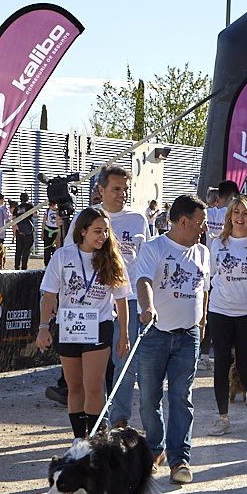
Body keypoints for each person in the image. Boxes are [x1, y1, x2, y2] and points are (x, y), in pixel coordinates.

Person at [131, 194, 210, 486]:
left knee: (181, 397)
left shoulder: (203, 252)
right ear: (184, 221)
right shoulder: (155, 248)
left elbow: (205, 288)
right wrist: (147, 307)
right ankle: (154, 449)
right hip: (155, 335)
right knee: (150, 397)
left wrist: (202, 322)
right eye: (200, 223)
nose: (203, 229)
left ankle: (179, 460)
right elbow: (144, 281)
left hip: (188, 336)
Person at [36, 206, 132, 440]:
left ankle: (96, 437)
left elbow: (121, 301)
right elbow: (49, 294)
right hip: (69, 327)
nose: (103, 236)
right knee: (74, 386)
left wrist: (124, 335)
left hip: (98, 326)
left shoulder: (113, 259)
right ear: (82, 232)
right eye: (97, 231)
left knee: (93, 385)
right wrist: (43, 328)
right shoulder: (63, 255)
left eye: (106, 231)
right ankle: (80, 438)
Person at [84, 167, 150, 431]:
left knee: (124, 360)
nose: (122, 194)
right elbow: (68, 255)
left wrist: (148, 302)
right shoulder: (84, 218)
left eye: (125, 189)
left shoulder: (138, 219)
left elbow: (147, 262)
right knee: (93, 361)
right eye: (116, 189)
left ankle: (119, 419)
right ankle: (95, 417)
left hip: (129, 299)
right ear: (100, 190)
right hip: (92, 302)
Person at [205, 195, 247, 435]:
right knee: (221, 363)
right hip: (219, 310)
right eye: (236, 212)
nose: (240, 217)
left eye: (245, 213)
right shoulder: (217, 242)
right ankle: (222, 417)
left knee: (245, 364)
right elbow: (209, 279)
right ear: (229, 216)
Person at [14, 193, 35, 270]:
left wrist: (18, 231)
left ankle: (17, 266)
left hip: (19, 232)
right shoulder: (30, 206)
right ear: (28, 199)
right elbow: (36, 214)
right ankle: (24, 267)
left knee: (18, 250)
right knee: (27, 250)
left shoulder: (17, 208)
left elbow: (14, 220)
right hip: (28, 232)